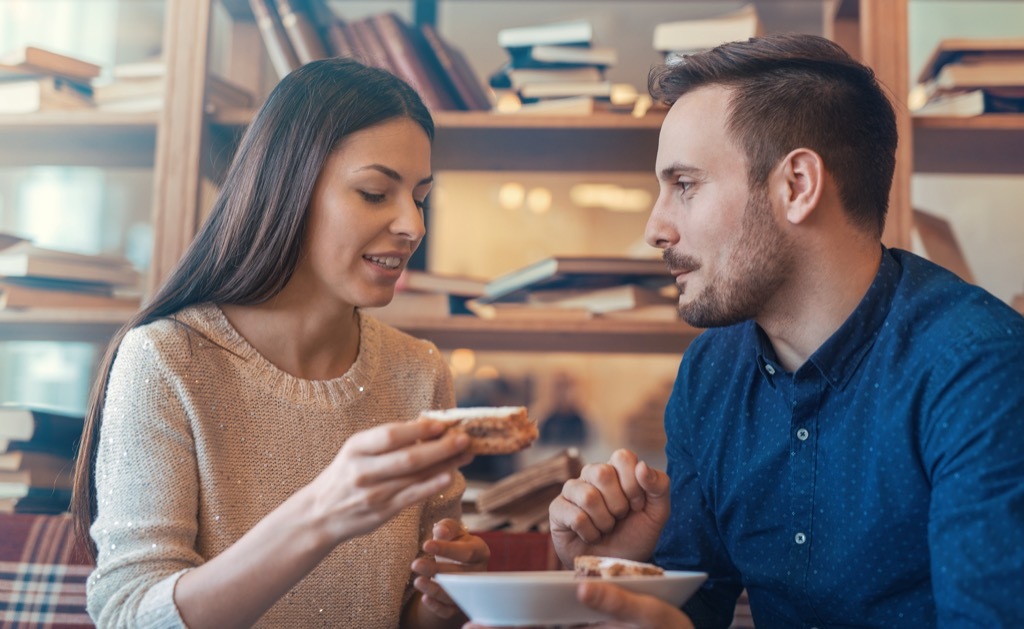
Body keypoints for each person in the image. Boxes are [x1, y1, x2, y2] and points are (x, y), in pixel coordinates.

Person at [536, 33, 1024, 629]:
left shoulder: (978, 368)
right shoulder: (710, 374)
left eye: (684, 185)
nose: (654, 228)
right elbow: (697, 612)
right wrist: (622, 579)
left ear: (797, 185)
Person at [70, 58, 491, 628]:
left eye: (419, 197)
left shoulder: (419, 371)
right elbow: (127, 616)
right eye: (374, 192)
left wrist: (443, 603)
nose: (413, 226)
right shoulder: (167, 360)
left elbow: (400, 616)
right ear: (288, 186)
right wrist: (321, 514)